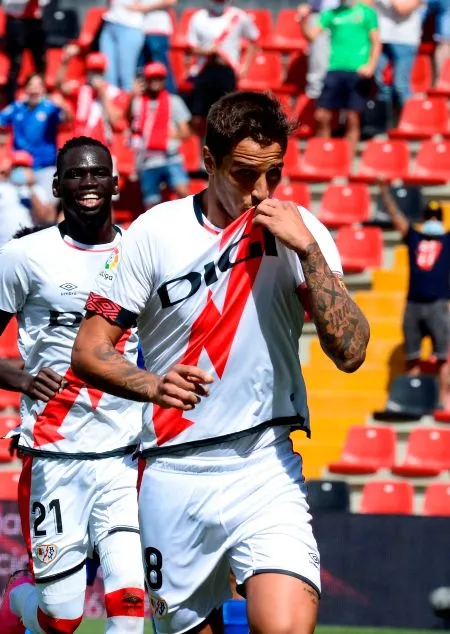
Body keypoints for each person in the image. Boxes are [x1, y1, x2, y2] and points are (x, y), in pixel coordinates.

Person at [71, 92, 370, 634]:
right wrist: (153, 384)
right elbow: (89, 351)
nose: (261, 192)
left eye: (274, 174)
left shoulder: (302, 232)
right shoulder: (154, 234)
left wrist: (310, 254)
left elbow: (351, 352)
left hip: (266, 466)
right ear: (208, 161)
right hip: (172, 472)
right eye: (244, 174)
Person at [0, 137, 147, 634]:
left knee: (130, 607)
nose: (88, 183)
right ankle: (19, 601)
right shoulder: (24, 256)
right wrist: (22, 380)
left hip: (126, 456)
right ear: (58, 185)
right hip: (55, 453)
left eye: (97, 174)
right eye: (77, 175)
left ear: (114, 182)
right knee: (59, 620)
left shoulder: (140, 253)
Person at [379, 183, 450, 399]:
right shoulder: (415, 237)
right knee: (412, 358)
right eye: (429, 217)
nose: (433, 221)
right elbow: (396, 216)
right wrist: (383, 192)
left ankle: (444, 399)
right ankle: (412, 399)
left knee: (442, 358)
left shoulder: (447, 240)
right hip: (413, 304)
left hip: (438, 303)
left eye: (436, 217)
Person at [301, 0, 381, 153]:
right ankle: (322, 155)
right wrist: (303, 21)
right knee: (322, 115)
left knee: (352, 117)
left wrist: (370, 65)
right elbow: (311, 36)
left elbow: (376, 42)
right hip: (334, 69)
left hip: (357, 71)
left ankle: (347, 161)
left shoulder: (366, 12)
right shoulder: (330, 14)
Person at [186, 0, 259, 137]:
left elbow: (253, 39)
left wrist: (245, 66)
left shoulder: (238, 16)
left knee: (225, 116)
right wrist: (206, 52)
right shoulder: (198, 17)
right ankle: (199, 149)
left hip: (226, 71)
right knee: (198, 117)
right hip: (204, 70)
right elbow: (192, 47)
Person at [0, 74, 69, 201]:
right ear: (25, 89)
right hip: (21, 167)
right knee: (17, 205)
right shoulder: (17, 107)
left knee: (46, 206)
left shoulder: (50, 107)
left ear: (43, 89)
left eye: (38, 85)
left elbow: (66, 119)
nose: (34, 88)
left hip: (45, 167)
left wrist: (63, 105)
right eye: (31, 85)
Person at [128, 62, 191, 209]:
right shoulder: (138, 102)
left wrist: (173, 135)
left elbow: (186, 132)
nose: (155, 81)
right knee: (150, 203)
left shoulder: (174, 101)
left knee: (183, 191)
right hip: (147, 159)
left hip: (170, 157)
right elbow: (128, 121)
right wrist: (132, 95)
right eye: (152, 78)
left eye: (159, 78)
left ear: (164, 80)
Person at [0, 150, 57, 262]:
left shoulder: (37, 191)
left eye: (24, 167)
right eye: (16, 166)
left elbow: (47, 219)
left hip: (26, 250)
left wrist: (30, 188)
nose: (20, 170)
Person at [56, 48, 126, 144]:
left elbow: (114, 120)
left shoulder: (114, 92)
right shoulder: (80, 87)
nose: (95, 75)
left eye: (98, 71)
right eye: (92, 70)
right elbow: (60, 86)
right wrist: (65, 63)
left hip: (101, 145)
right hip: (80, 142)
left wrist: (103, 94)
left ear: (104, 72)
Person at [374, 0, 425, 123]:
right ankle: (383, 125)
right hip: (381, 39)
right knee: (382, 85)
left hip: (405, 40)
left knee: (401, 85)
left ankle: (410, 124)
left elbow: (402, 9)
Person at [2, 0, 50, 103]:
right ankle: (11, 100)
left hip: (35, 21)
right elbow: (7, 3)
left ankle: (42, 98)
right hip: (16, 20)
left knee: (40, 62)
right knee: (16, 62)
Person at [99, 0, 147, 92]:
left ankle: (127, 105)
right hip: (109, 23)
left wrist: (143, 7)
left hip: (130, 25)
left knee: (126, 78)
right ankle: (111, 105)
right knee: (109, 77)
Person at [138, 0, 178, 94]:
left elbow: (171, 2)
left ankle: (170, 97)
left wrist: (145, 8)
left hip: (157, 29)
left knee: (160, 67)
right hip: (140, 29)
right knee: (141, 70)